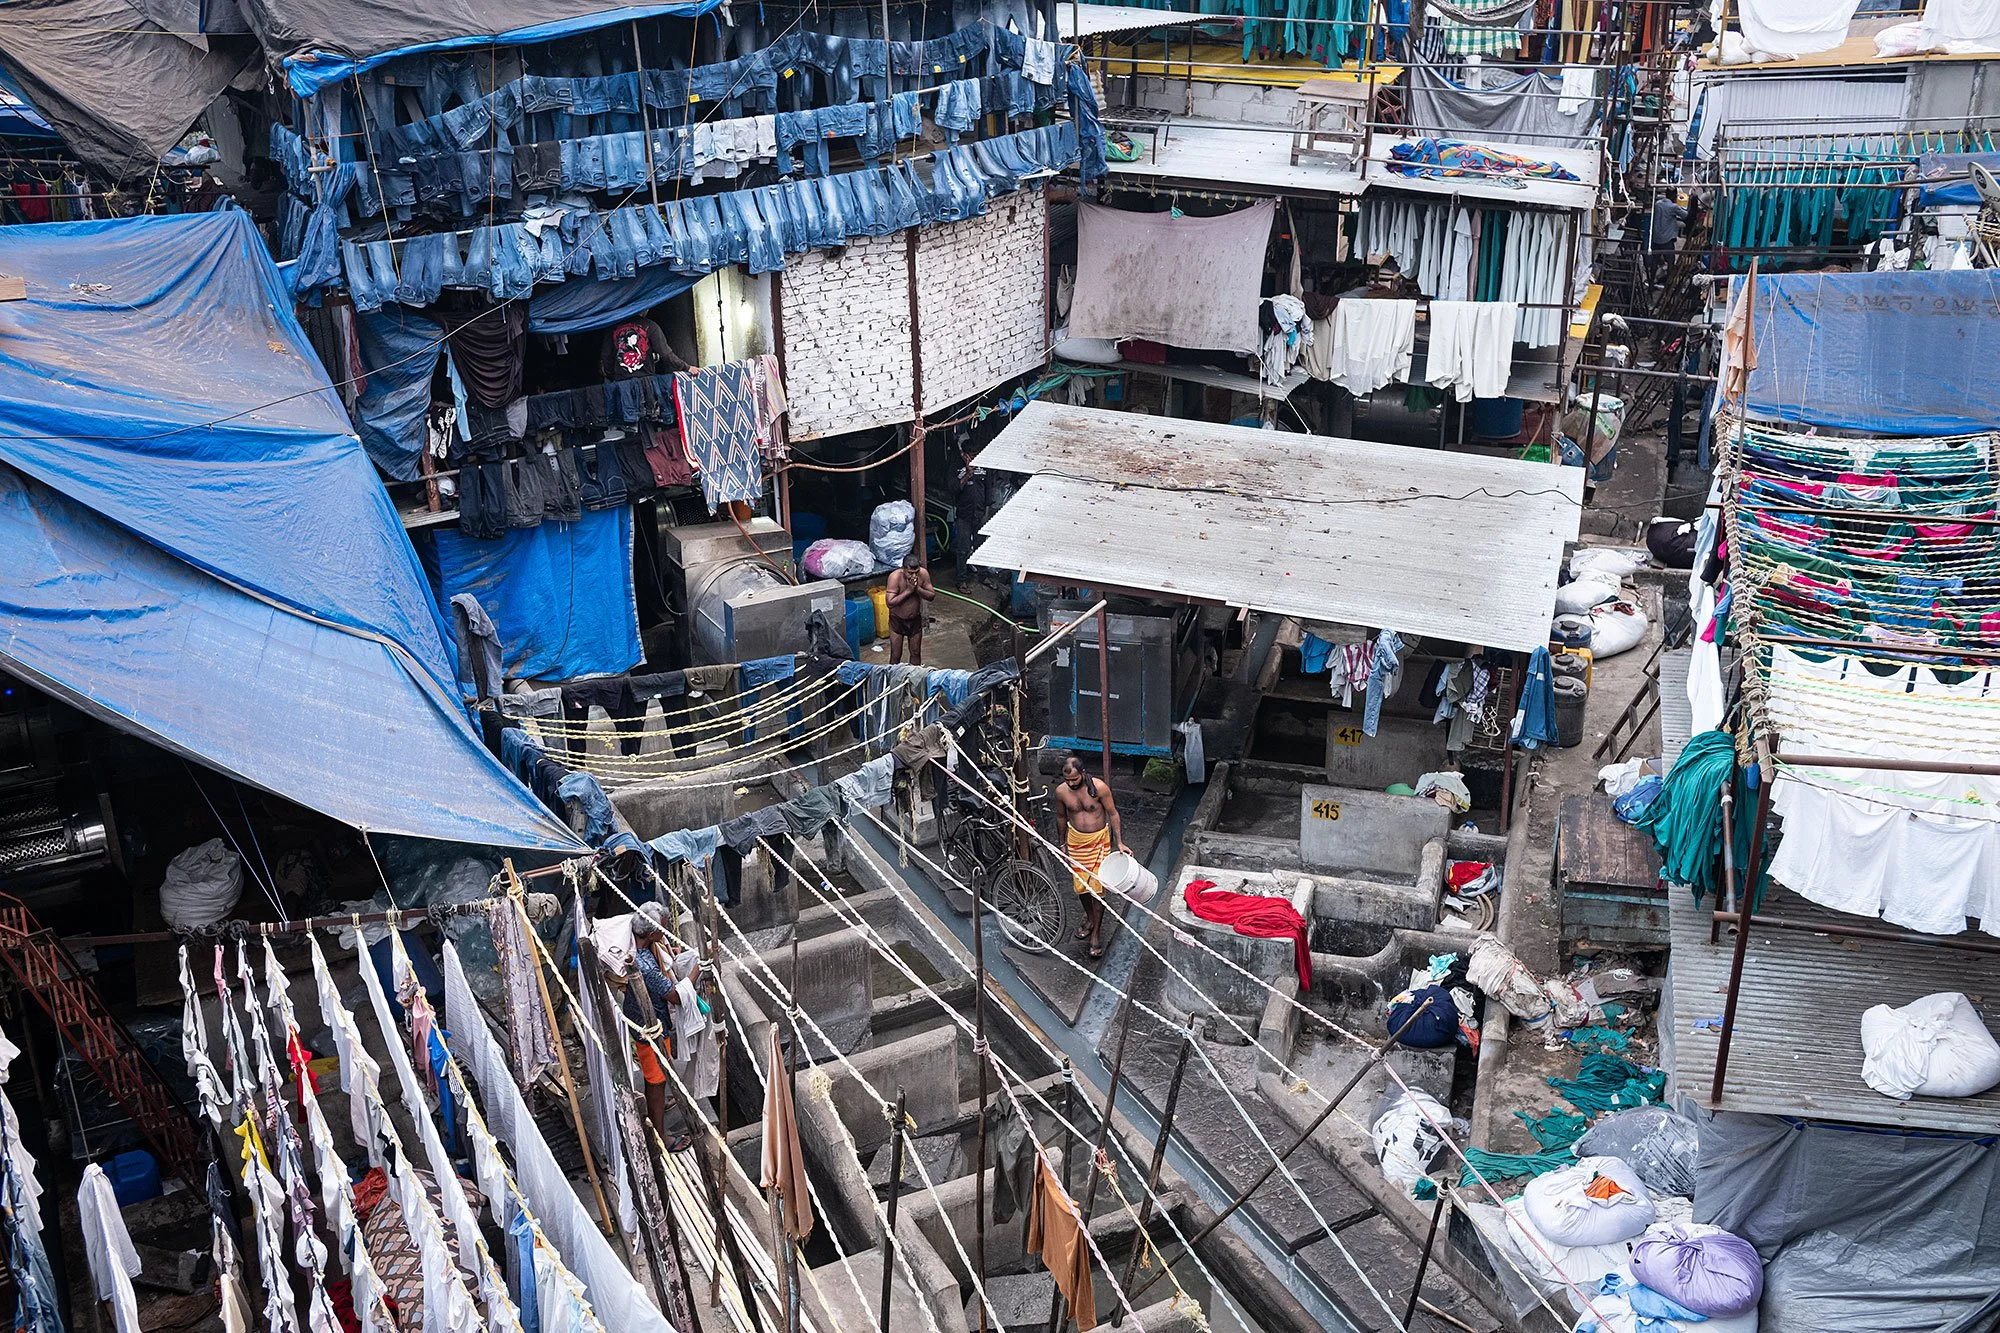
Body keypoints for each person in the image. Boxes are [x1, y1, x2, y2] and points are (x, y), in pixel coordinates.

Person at [591, 901, 695, 1151]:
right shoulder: (645, 965)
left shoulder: (639, 942)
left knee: (659, 1070)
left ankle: (655, 1104)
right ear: (650, 934)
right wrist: (698, 970)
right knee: (656, 1077)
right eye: (664, 930)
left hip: (642, 1017)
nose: (666, 934)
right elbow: (675, 996)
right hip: (649, 1025)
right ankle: (661, 1138)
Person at [1052, 755, 1129, 960]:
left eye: (1075, 780)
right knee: (1081, 888)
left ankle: (1095, 934)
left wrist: (1119, 842)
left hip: (1099, 842)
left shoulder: (1100, 788)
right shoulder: (1061, 791)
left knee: (1098, 888)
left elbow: (1113, 813)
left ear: (1083, 773)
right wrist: (1062, 844)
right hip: (1076, 842)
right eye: (1067, 780)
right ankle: (1090, 917)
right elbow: (1061, 817)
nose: (1071, 783)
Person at [886, 551, 935, 665]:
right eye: (910, 573)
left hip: (915, 620)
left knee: (916, 653)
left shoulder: (923, 574)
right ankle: (891, 680)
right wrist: (908, 591)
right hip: (897, 621)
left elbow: (931, 595)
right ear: (903, 569)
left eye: (916, 572)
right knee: (896, 654)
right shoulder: (894, 577)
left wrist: (917, 589)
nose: (914, 576)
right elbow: (890, 602)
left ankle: (915, 680)